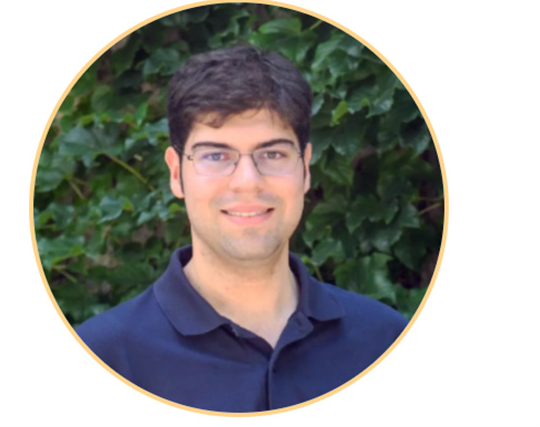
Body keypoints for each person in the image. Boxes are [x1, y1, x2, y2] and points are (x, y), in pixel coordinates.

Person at [76, 45, 408, 412]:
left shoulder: (386, 342)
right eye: (216, 156)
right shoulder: (98, 362)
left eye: (273, 154)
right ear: (176, 173)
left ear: (305, 168)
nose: (247, 181)